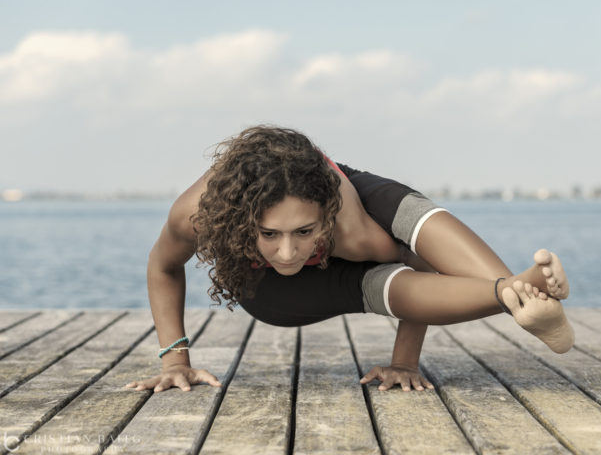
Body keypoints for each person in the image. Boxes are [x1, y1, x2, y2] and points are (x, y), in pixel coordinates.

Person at [126, 125, 574, 394]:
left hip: (352, 207)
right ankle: (523, 289)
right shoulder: (197, 216)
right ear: (244, 221)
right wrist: (175, 362)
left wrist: (404, 363)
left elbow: (425, 265)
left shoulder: (353, 230)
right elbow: (162, 267)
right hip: (271, 293)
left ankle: (523, 289)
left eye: (303, 232)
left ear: (325, 216)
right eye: (269, 234)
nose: (287, 251)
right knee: (371, 285)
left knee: (413, 219)